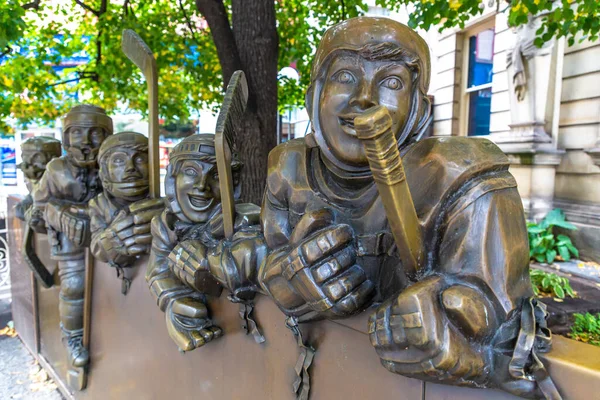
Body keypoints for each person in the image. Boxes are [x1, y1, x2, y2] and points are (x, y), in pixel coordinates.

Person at [258, 17, 556, 399]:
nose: (364, 97)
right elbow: (261, 254)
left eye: (392, 82)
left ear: (418, 108)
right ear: (313, 96)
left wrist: (471, 348)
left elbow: (503, 323)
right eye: (346, 76)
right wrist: (284, 281)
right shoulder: (287, 169)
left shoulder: (459, 176)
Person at [146, 134, 267, 352]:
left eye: (216, 176)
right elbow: (157, 271)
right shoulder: (167, 225)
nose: (202, 186)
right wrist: (174, 301)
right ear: (173, 177)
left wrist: (212, 264)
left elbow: (253, 256)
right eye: (191, 172)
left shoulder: (246, 222)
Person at [30, 104, 112, 369]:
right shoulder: (55, 169)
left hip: (107, 233)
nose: (86, 142)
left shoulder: (113, 164)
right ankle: (72, 337)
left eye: (94, 133)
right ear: (66, 137)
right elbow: (40, 203)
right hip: (70, 241)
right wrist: (59, 212)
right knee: (75, 284)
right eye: (76, 133)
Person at [88, 132, 163, 293]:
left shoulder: (163, 203)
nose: (130, 168)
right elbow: (97, 246)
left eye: (140, 159)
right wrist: (110, 244)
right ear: (105, 170)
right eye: (119, 161)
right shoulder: (99, 204)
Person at [15, 136, 61, 221]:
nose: (29, 163)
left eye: (36, 157)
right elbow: (21, 209)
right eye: (25, 156)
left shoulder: (61, 183)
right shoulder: (36, 185)